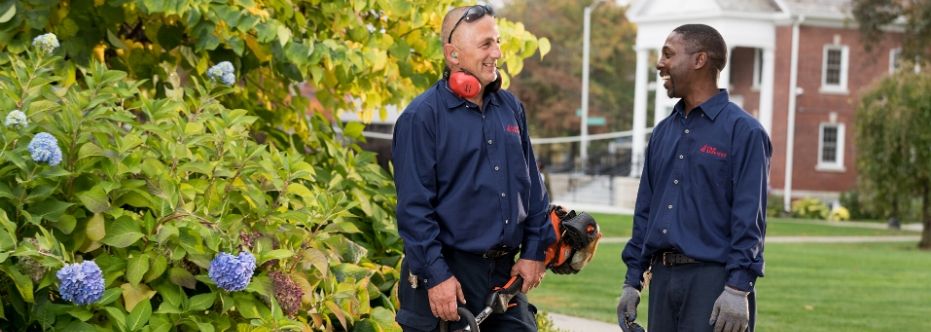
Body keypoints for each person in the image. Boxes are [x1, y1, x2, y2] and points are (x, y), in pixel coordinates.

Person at [392, 5, 554, 332]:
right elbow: (414, 210)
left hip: (503, 278)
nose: (497, 52)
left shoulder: (510, 108)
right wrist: (436, 276)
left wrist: (534, 251)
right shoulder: (421, 117)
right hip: (450, 278)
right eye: (485, 45)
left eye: (497, 42)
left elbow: (534, 188)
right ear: (453, 55)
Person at [617, 24, 772, 332]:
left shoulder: (745, 133)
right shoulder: (662, 132)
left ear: (699, 60)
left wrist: (737, 289)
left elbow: (749, 220)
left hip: (713, 285)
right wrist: (632, 280)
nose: (660, 63)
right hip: (663, 282)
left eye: (668, 54)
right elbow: (646, 211)